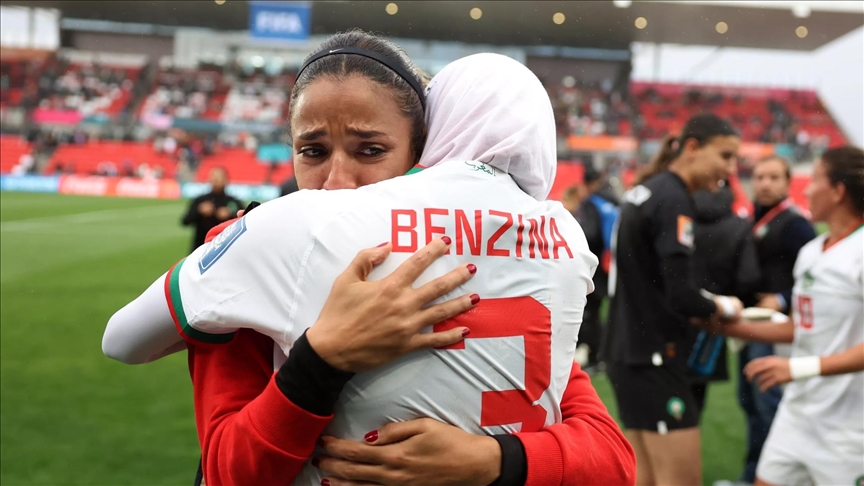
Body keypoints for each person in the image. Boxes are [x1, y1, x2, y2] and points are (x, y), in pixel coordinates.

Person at [103, 34, 634, 486]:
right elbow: (230, 468)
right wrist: (321, 358)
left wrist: (487, 461)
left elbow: (611, 452)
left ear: (424, 154)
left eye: (369, 151)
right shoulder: (264, 249)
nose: (336, 180)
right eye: (312, 151)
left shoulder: (483, 273)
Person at [704, 145, 864, 486]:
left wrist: (796, 368)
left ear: (838, 191)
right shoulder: (810, 252)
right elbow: (800, 328)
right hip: (798, 413)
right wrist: (730, 326)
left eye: (816, 179)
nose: (806, 189)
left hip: (848, 429)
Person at [604, 113, 744, 486]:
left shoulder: (649, 189)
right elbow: (681, 294)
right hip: (652, 356)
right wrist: (724, 306)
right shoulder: (673, 199)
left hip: (626, 351)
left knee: (645, 478)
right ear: (693, 147)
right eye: (725, 156)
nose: (729, 169)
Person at [718, 155, 816, 486]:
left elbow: (813, 275)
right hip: (751, 324)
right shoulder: (749, 219)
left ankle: (771, 477)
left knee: (768, 406)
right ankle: (752, 475)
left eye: (774, 177)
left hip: (777, 329)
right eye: (759, 176)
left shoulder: (796, 223)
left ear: (788, 183)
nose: (765, 183)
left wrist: (784, 298)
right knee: (749, 402)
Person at [687, 184, 762, 415]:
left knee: (664, 408)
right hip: (715, 321)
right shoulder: (738, 226)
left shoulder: (680, 221)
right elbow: (748, 277)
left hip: (672, 320)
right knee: (695, 405)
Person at [561, 164, 619, 371]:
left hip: (594, 265)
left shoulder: (594, 203)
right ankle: (601, 355)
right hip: (608, 263)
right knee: (594, 313)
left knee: (589, 314)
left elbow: (592, 234)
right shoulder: (610, 200)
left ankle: (597, 356)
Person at [180, 166, 243, 252]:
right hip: (200, 248)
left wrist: (230, 214)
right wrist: (199, 211)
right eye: (213, 176)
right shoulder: (200, 200)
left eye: (219, 177)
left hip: (225, 250)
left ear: (226, 179)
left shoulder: (233, 201)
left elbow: (244, 222)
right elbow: (185, 221)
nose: (216, 180)